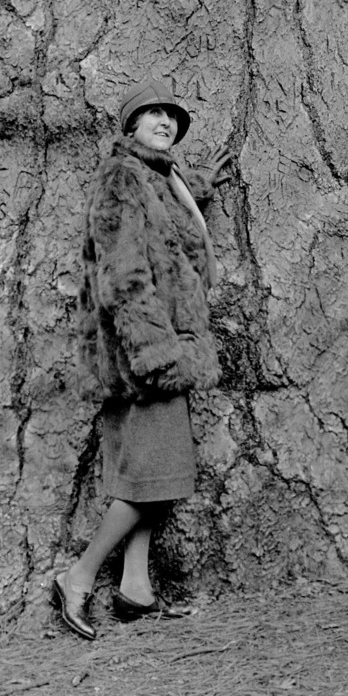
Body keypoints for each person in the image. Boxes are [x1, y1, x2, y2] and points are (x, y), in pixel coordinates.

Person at [52, 77, 225, 639]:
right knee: (147, 477)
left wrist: (198, 186)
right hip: (143, 354)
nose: (164, 121)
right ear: (130, 126)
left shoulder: (158, 178)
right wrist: (155, 353)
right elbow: (122, 273)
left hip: (164, 348)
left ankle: (135, 586)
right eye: (152, 113)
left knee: (162, 473)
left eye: (171, 115)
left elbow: (167, 223)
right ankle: (78, 576)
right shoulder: (122, 176)